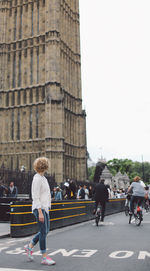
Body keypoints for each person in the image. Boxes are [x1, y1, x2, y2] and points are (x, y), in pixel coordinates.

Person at [24, 157, 55, 266]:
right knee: (43, 232)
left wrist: (47, 208)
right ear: (45, 166)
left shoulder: (43, 178)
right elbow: (35, 197)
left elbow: (45, 195)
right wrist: (40, 212)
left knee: (45, 231)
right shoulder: (37, 179)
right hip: (39, 209)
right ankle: (44, 257)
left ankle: (29, 247)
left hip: (45, 208)